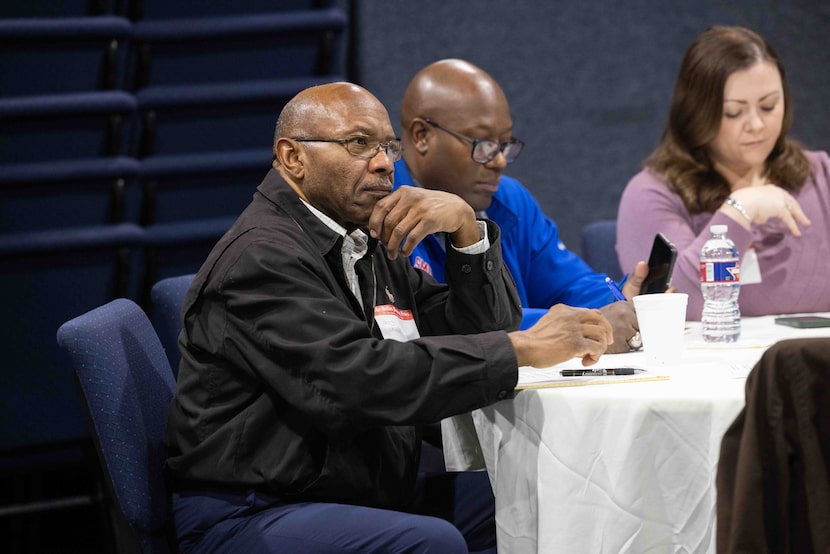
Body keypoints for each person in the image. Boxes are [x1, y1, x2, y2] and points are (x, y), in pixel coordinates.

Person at [164, 81, 614, 553]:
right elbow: (357, 380)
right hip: (253, 509)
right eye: (359, 144)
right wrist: (520, 348)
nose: (383, 163)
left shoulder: (364, 239)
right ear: (293, 157)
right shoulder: (262, 256)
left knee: (534, 489)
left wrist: (466, 231)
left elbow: (476, 329)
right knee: (432, 542)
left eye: (387, 147)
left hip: (353, 483)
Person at [393, 58, 647, 354]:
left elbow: (568, 284)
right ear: (422, 136)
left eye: (504, 144)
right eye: (482, 144)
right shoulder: (380, 209)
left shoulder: (508, 198)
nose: (499, 161)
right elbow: (445, 327)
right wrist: (578, 327)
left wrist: (619, 299)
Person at [617, 25, 830, 320]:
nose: (756, 125)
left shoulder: (821, 173)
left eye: (769, 106)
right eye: (734, 112)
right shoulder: (651, 193)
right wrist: (739, 211)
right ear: (697, 113)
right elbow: (677, 310)